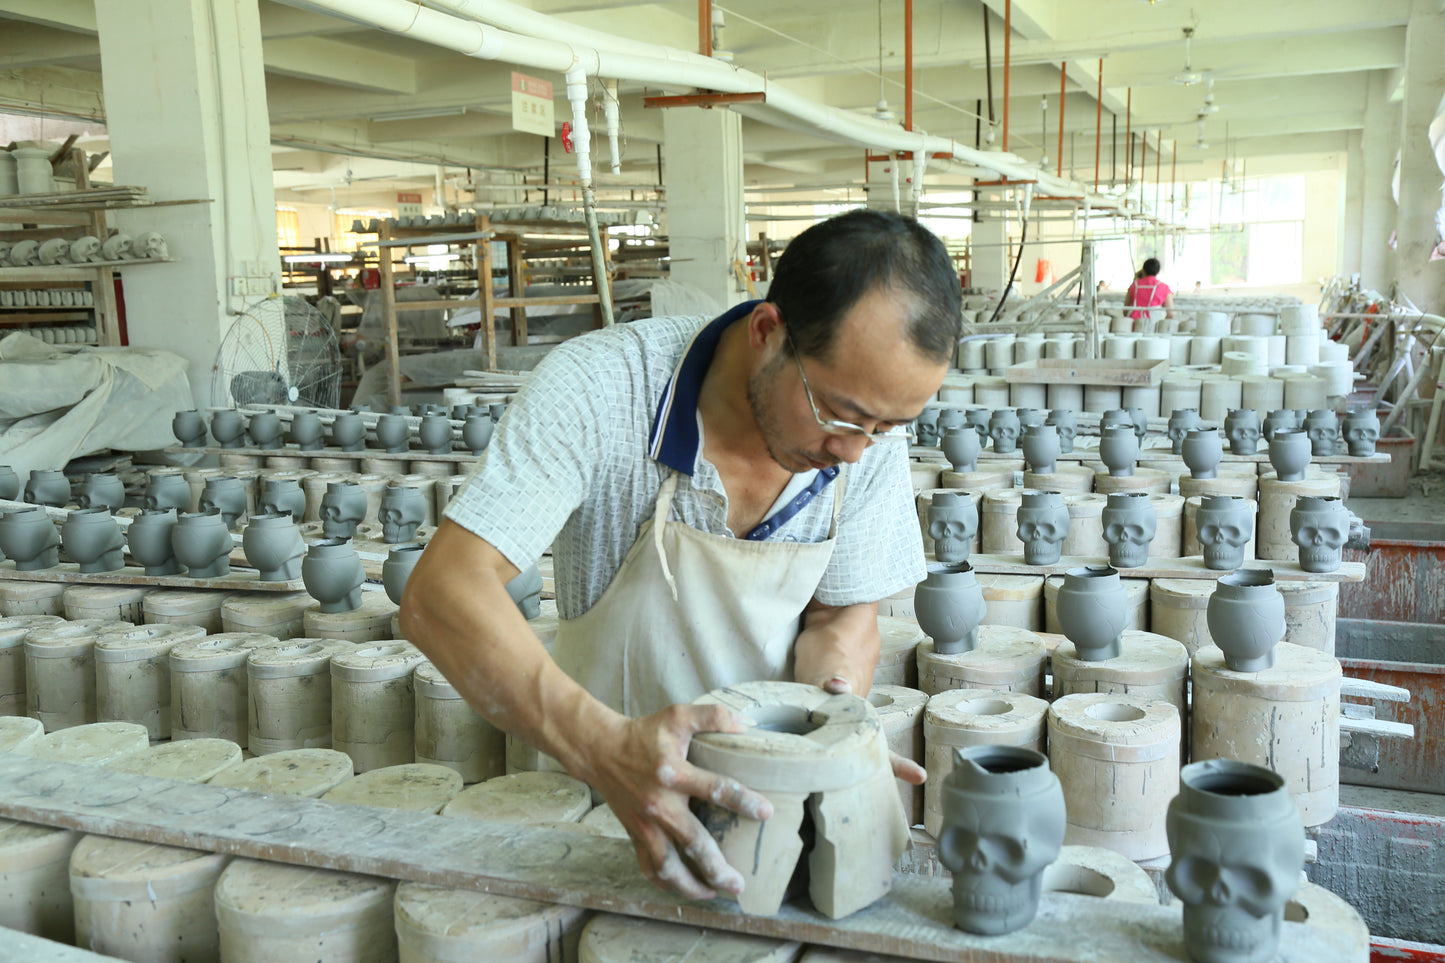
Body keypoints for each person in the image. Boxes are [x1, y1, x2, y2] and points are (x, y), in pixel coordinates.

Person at [401, 209, 961, 902]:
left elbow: (841, 616)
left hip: (759, 812)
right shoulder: (602, 388)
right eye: (839, 414)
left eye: (885, 426)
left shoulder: (864, 432)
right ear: (767, 332)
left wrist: (828, 731)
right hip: (590, 803)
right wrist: (605, 749)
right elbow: (441, 591)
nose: (854, 448)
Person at [1125, 257, 1175, 323]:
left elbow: (1125, 310)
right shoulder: (1164, 287)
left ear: (1143, 270)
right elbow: (1171, 314)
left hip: (1134, 324)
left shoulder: (1134, 285)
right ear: (1158, 271)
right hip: (1154, 323)